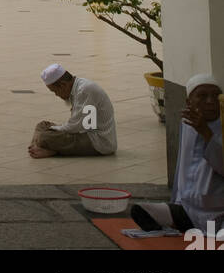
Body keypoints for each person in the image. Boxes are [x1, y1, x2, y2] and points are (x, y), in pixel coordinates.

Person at [130, 74, 223, 233]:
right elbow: (182, 166)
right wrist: (176, 202)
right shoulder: (187, 123)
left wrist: (206, 133)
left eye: (215, 96)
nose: (210, 101)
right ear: (189, 102)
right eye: (202, 96)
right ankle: (180, 227)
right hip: (188, 209)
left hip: (219, 212)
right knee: (139, 209)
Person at [28, 63, 117, 158]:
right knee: (42, 125)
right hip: (84, 132)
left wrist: (53, 130)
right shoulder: (78, 86)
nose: (57, 95)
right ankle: (41, 147)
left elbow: (75, 127)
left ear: (63, 85)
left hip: (98, 142)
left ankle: (46, 148)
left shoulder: (84, 90)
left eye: (55, 91)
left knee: (44, 137)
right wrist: (52, 129)